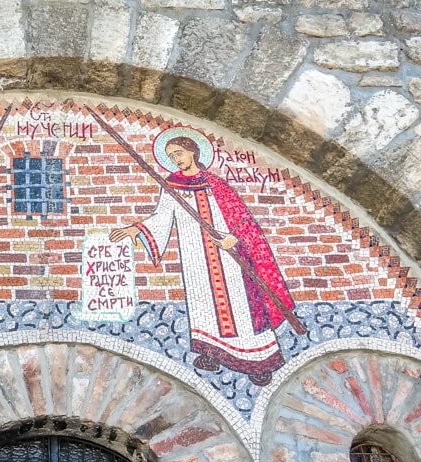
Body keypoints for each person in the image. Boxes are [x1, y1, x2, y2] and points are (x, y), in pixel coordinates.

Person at [110, 134, 294, 386]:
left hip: (229, 256)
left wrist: (234, 238)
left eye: (180, 153)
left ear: (193, 152)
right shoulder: (172, 185)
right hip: (195, 255)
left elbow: (243, 218)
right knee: (204, 304)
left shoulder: (215, 184)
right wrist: (136, 230)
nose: (177, 159)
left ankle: (259, 362)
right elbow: (161, 217)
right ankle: (212, 354)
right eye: (172, 156)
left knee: (241, 306)